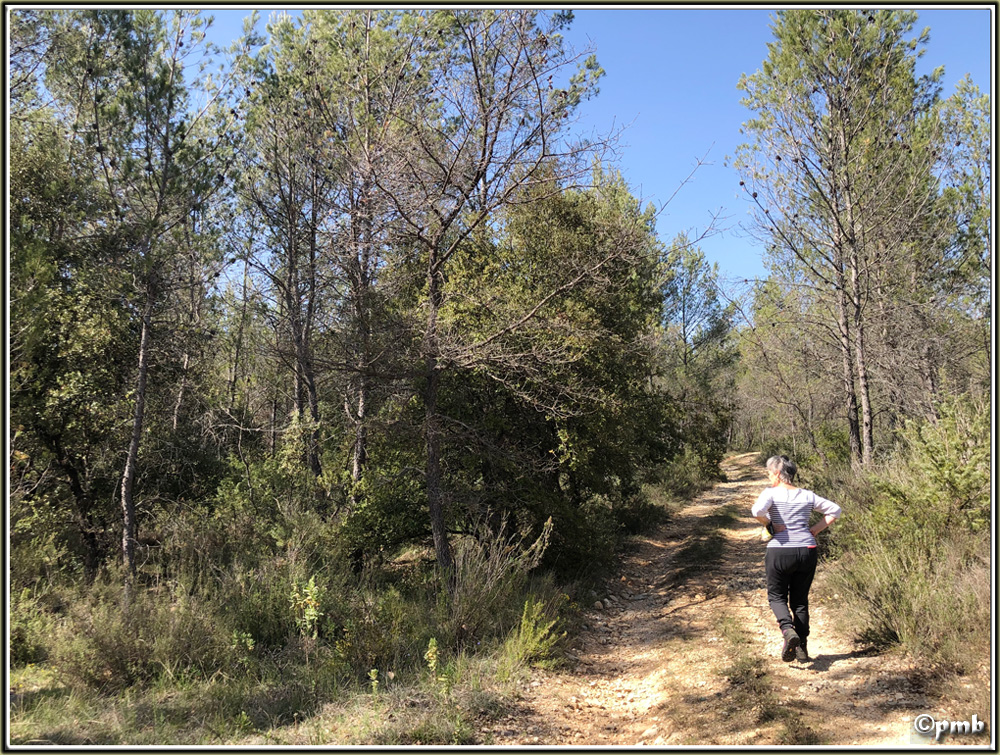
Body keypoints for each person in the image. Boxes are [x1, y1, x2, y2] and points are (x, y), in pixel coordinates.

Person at [751, 455, 841, 662]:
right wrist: (815, 530)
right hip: (807, 549)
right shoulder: (808, 495)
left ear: (776, 474)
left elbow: (757, 511)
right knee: (800, 601)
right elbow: (835, 510)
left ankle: (787, 630)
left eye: (769, 473)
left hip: (780, 550)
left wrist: (770, 525)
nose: (768, 477)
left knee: (777, 597)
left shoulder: (771, 493)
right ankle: (802, 647)